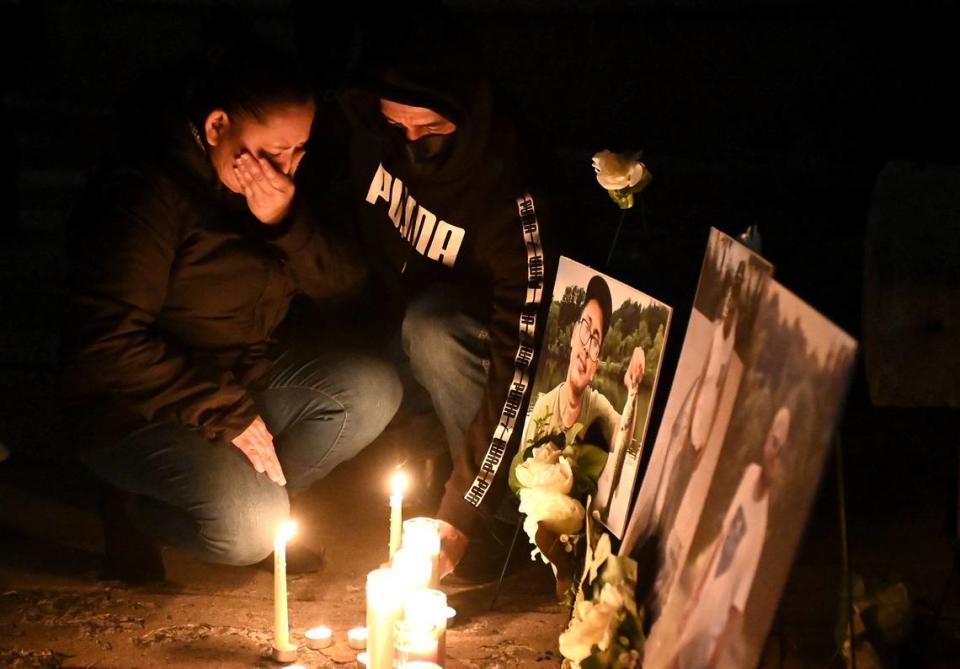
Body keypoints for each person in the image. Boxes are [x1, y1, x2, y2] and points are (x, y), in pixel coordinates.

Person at [61, 41, 402, 582]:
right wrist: (226, 411)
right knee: (247, 532)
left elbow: (345, 286)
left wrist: (285, 221)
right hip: (136, 406)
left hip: (238, 379)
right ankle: (138, 507)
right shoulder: (148, 192)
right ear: (217, 126)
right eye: (273, 154)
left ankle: (261, 507)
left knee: (372, 388)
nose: (286, 169)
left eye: (299, 153)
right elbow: (106, 342)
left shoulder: (277, 190)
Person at [312, 13, 562, 578]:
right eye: (397, 128)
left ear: (464, 112)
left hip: (467, 348)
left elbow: (517, 359)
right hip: (401, 335)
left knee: (432, 327)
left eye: (430, 131)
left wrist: (465, 510)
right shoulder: (368, 132)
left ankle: (496, 533)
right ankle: (431, 457)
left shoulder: (509, 191)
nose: (410, 146)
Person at [669, 405, 791, 669]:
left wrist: (716, 656)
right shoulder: (749, 475)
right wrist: (693, 600)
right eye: (774, 442)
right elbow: (721, 541)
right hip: (703, 604)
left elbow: (738, 606)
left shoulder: (762, 524)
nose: (774, 455)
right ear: (768, 438)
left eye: (782, 452)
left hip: (716, 624)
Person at [521, 276, 645, 498]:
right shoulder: (541, 407)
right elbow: (522, 473)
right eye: (586, 328)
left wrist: (633, 391)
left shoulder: (599, 406)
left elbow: (622, 440)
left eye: (596, 340)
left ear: (596, 364)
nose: (587, 347)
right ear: (573, 335)